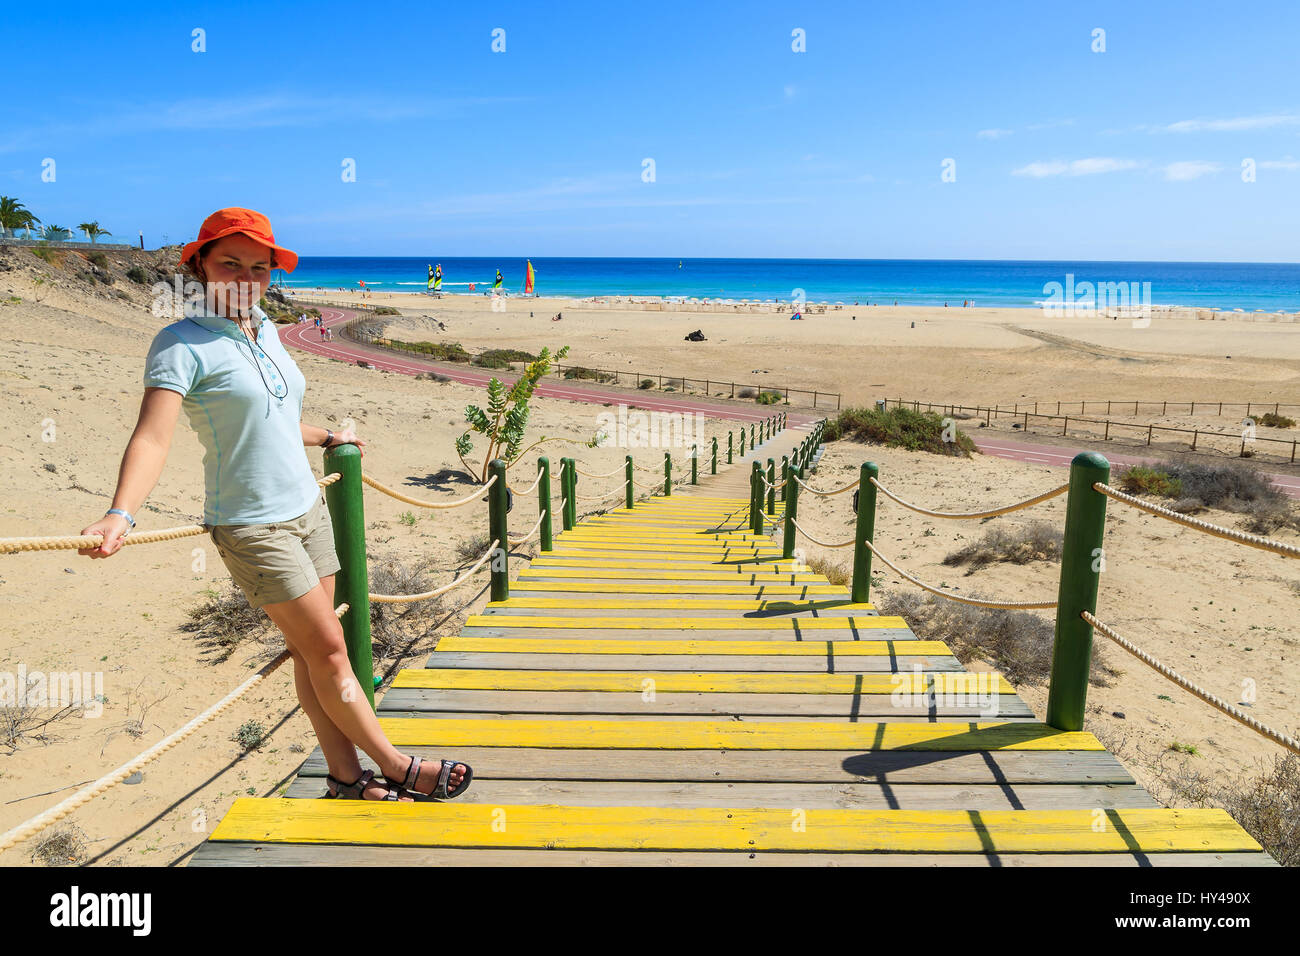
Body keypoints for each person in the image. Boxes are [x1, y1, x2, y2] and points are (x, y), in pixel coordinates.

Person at [77, 207, 471, 802]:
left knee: (312, 653)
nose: (245, 277)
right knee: (332, 651)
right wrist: (120, 513)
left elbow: (274, 415)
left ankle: (343, 777)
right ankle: (396, 765)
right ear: (200, 265)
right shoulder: (182, 343)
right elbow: (152, 436)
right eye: (229, 263)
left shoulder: (264, 327)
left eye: (259, 267)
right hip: (253, 525)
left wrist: (327, 438)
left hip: (309, 509)